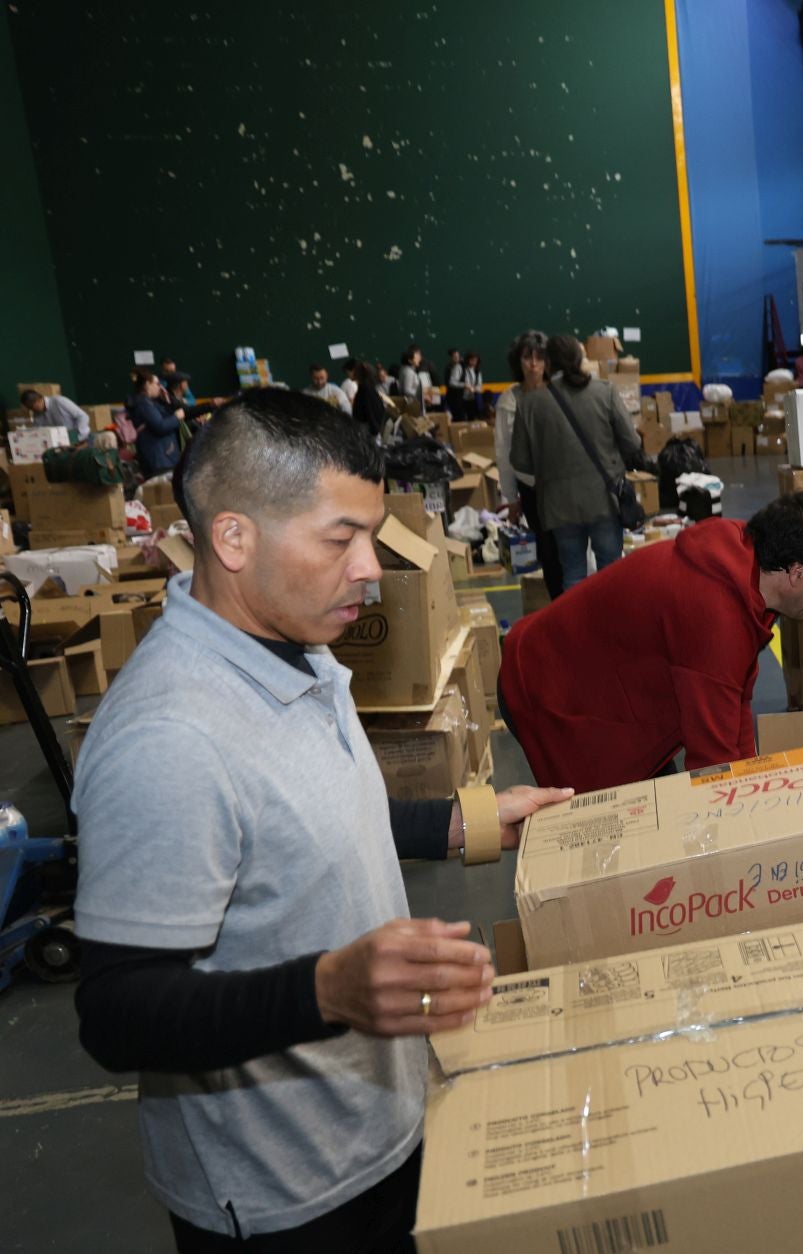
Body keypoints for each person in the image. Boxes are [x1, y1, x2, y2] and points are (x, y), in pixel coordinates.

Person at [70, 390, 572, 1251]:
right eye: (341, 539)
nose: (372, 566)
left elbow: (315, 814)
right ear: (234, 538)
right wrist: (326, 992)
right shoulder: (171, 738)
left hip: (382, 1124)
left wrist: (462, 821)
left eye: (371, 535)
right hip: (285, 1196)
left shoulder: (298, 646)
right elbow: (116, 1014)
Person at [500, 493, 803, 791]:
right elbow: (713, 768)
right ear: (797, 573)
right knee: (608, 835)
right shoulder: (714, 615)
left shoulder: (746, 566)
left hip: (602, 676)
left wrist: (753, 778)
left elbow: (735, 698)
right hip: (546, 686)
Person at [509, 333, 645, 590]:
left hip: (558, 506)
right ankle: (612, 628)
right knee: (611, 571)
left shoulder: (529, 403)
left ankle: (578, 629)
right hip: (605, 499)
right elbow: (632, 443)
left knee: (572, 573)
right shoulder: (604, 391)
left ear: (549, 363)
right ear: (580, 360)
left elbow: (520, 461)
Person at [493, 330, 563, 601]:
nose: (533, 364)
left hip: (566, 484)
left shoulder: (560, 392)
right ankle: (559, 605)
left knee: (571, 549)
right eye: (527, 357)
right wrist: (511, 498)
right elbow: (503, 452)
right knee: (548, 551)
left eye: (539, 357)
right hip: (532, 488)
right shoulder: (509, 401)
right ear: (517, 361)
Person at [128, 368, 186, 477]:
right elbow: (160, 426)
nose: (160, 387)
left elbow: (163, 419)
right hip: (159, 459)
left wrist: (167, 402)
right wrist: (176, 417)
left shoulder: (150, 402)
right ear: (147, 385)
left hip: (163, 457)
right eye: (157, 384)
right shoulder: (144, 404)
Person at [18, 387, 90, 447]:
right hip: (61, 442)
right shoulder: (36, 413)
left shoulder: (59, 401)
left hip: (79, 437)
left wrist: (79, 435)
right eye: (29, 408)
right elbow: (39, 430)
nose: (32, 410)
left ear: (39, 400)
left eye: (32, 407)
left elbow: (82, 416)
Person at [349, 359, 388, 440]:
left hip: (371, 433)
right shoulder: (368, 390)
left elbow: (370, 413)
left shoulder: (365, 391)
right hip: (374, 433)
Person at [394, 345, 426, 410]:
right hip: (412, 406)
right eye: (416, 357)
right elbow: (407, 390)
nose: (419, 359)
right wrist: (421, 394)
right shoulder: (409, 372)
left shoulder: (405, 369)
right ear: (410, 360)